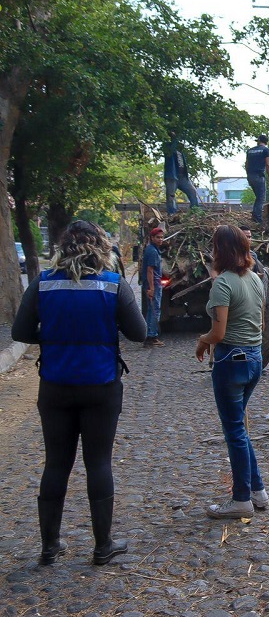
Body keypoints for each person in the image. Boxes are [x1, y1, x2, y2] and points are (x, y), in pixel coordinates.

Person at [12, 221, 146, 565]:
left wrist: (55, 334)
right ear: (101, 247)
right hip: (101, 385)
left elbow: (21, 331)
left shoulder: (43, 284)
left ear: (62, 247)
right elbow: (139, 333)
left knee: (56, 462)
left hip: (55, 385)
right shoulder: (113, 286)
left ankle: (49, 546)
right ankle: (103, 546)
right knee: (98, 462)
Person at [195, 224, 268, 519]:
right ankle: (258, 491)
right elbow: (259, 322)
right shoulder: (255, 279)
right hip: (254, 359)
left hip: (232, 361)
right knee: (240, 428)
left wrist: (202, 341)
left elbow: (219, 332)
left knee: (235, 430)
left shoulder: (223, 283)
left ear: (219, 250)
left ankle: (241, 499)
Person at [164, 131, 200, 215]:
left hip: (183, 177)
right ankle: (172, 213)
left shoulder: (180, 152)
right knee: (171, 196)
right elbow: (172, 148)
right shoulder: (168, 148)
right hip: (172, 177)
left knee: (192, 192)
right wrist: (173, 138)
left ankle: (195, 211)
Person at [142, 226, 165, 348]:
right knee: (154, 310)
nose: (160, 239)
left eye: (162, 237)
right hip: (154, 284)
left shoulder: (153, 249)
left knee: (152, 309)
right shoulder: (152, 251)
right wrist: (151, 288)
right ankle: (151, 337)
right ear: (152, 238)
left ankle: (150, 335)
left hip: (155, 283)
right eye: (158, 237)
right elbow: (149, 270)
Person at [244, 134, 269, 224]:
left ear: (258, 141)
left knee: (258, 197)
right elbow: (268, 164)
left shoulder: (250, 151)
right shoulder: (266, 150)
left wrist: (248, 175)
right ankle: (257, 219)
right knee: (261, 198)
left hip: (250, 176)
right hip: (259, 176)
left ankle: (255, 215)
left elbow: (246, 164)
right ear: (266, 142)